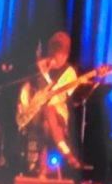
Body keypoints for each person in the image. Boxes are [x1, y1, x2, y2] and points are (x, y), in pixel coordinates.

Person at [17, 31, 79, 176]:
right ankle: (65, 152)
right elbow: (25, 89)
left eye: (62, 54)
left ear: (66, 55)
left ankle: (42, 170)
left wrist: (47, 80)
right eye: (55, 53)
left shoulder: (69, 72)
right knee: (46, 116)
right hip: (35, 113)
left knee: (48, 116)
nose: (58, 58)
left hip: (58, 115)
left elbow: (63, 99)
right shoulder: (39, 67)